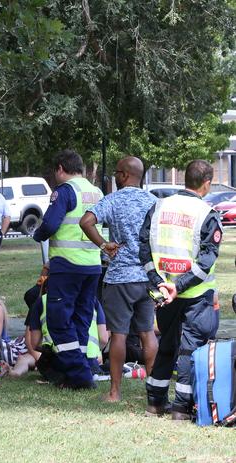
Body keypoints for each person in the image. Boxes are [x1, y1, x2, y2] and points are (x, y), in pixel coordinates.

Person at [139, 160, 222, 420]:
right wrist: (180, 285)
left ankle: (155, 403)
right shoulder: (206, 213)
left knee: (167, 345)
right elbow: (206, 262)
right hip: (195, 296)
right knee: (190, 349)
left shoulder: (159, 206)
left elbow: (144, 246)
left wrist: (158, 281)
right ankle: (181, 408)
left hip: (165, 292)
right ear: (206, 183)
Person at [79, 156, 159, 402]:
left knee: (119, 335)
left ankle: (114, 392)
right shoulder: (155, 202)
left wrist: (104, 244)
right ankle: (155, 392)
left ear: (124, 175)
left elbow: (86, 221)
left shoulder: (112, 200)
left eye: (116, 172)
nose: (114, 176)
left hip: (120, 279)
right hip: (148, 276)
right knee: (148, 333)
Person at [32, 149, 103, 389]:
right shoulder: (96, 192)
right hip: (92, 264)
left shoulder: (65, 191)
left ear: (61, 168)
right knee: (81, 319)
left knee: (59, 321)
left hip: (67, 264)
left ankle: (79, 376)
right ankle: (78, 369)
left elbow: (50, 223)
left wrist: (37, 233)